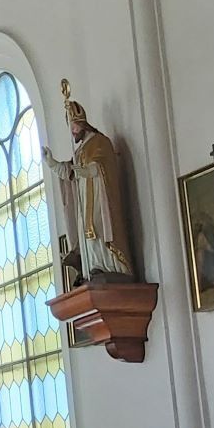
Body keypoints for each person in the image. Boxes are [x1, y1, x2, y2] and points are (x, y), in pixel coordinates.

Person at [44, 80, 134, 284]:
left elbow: (103, 166)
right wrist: (51, 162)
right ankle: (92, 267)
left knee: (98, 230)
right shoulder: (81, 150)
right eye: (70, 126)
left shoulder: (100, 142)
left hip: (99, 198)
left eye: (74, 125)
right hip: (85, 199)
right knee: (87, 235)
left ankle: (109, 265)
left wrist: (87, 170)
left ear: (82, 122)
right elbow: (68, 172)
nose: (72, 130)